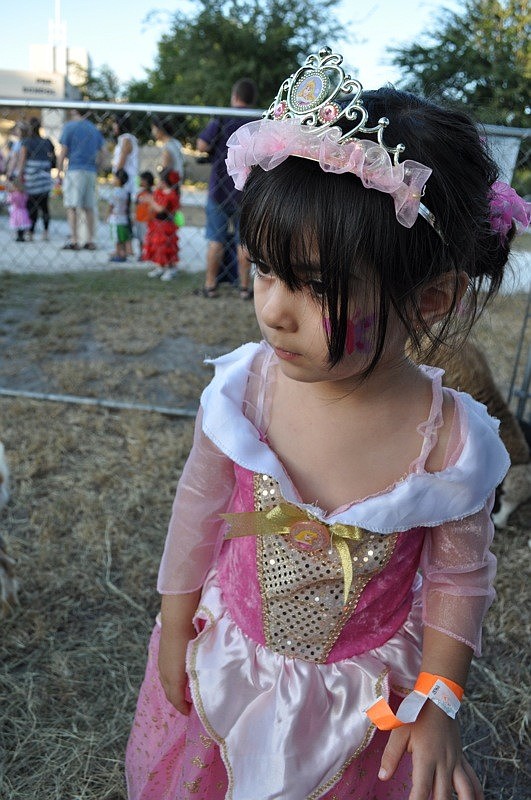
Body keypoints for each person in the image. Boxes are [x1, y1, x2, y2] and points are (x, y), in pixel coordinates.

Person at [125, 47, 529, 800]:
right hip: (232, 660)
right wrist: (175, 619)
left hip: (364, 705)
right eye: (265, 269)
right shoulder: (245, 391)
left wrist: (439, 698)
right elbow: (199, 506)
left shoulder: (449, 443)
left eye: (313, 287)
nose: (273, 308)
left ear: (431, 300)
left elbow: (457, 576)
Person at [196, 77, 258, 298]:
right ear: (252, 99)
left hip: (220, 190)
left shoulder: (223, 116)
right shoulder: (256, 120)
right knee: (244, 242)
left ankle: (210, 285)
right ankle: (244, 288)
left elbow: (202, 144)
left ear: (234, 96)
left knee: (216, 240)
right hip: (246, 191)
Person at [56, 108, 106, 251]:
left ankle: (74, 239)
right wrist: (99, 166)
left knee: (72, 206)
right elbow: (103, 151)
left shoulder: (69, 126)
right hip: (90, 170)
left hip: (75, 169)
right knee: (89, 206)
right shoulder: (93, 129)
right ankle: (90, 240)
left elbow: (63, 150)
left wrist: (59, 171)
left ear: (74, 111)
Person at [18, 116, 55, 242]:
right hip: (44, 176)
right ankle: (45, 232)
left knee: (31, 206)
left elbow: (22, 160)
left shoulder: (26, 142)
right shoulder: (46, 141)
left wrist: (19, 175)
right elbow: (53, 155)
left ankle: (31, 232)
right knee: (44, 206)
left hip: (32, 177)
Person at [142, 168, 180, 280]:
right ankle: (160, 266)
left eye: (159, 181)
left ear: (164, 182)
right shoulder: (159, 192)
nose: (157, 183)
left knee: (166, 247)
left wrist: (150, 201)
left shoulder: (171, 194)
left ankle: (170, 268)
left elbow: (160, 209)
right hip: (157, 225)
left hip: (166, 226)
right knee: (157, 246)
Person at [111, 114, 139, 256]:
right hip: (123, 181)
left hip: (125, 182)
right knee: (123, 216)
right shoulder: (124, 139)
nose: (113, 126)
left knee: (124, 215)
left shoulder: (126, 139)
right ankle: (123, 247)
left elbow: (122, 160)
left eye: (115, 123)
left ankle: (126, 248)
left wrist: (116, 177)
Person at [107, 168, 132, 263]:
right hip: (124, 217)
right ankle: (123, 252)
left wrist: (108, 214)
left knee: (116, 238)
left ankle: (119, 254)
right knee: (123, 237)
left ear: (118, 180)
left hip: (115, 218)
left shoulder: (114, 192)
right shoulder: (125, 192)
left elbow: (111, 205)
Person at [150, 115, 184, 183]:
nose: (152, 132)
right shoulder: (176, 142)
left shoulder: (167, 148)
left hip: (170, 185)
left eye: (153, 128)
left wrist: (159, 184)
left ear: (159, 129)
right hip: (177, 182)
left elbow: (164, 171)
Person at [134, 170, 155, 260]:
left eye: (143, 180)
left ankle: (149, 254)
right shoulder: (139, 194)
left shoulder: (152, 194)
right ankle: (141, 254)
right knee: (140, 238)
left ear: (148, 181)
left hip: (148, 220)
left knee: (147, 238)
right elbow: (136, 206)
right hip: (139, 219)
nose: (140, 181)